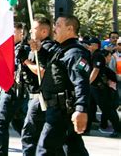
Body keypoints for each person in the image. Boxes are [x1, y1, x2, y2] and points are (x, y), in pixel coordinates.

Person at [37, 15, 90, 155]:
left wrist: (81, 109)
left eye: (58, 25)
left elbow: (81, 82)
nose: (54, 28)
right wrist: (39, 50)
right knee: (73, 148)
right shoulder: (61, 50)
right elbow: (53, 66)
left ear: (70, 28)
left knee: (44, 150)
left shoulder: (75, 53)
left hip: (62, 111)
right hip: (56, 109)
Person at [21, 16, 56, 155]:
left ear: (44, 31)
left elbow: (42, 71)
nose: (30, 31)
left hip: (40, 97)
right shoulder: (36, 47)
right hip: (34, 95)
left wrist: (26, 62)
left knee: (29, 136)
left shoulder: (47, 47)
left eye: (34, 28)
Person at [0, 22, 29, 156]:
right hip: (11, 90)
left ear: (21, 33)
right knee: (17, 122)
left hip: (14, 90)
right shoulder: (11, 47)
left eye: (13, 32)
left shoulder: (22, 49)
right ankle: (34, 148)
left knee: (0, 123)